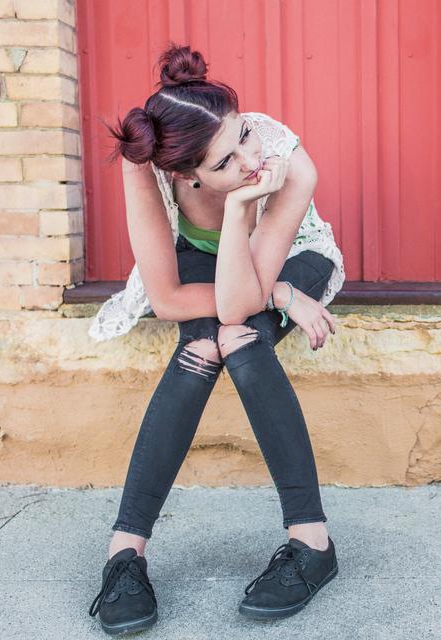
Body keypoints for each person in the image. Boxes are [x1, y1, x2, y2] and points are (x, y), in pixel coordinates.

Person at [85, 42, 345, 634]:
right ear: (184, 175)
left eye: (245, 134)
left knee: (239, 340)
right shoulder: (147, 167)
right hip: (220, 274)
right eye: (226, 163)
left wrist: (272, 278)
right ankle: (125, 556)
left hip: (296, 257)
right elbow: (174, 297)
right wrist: (271, 292)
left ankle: (312, 542)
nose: (252, 160)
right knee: (202, 346)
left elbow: (241, 302)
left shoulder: (285, 162)